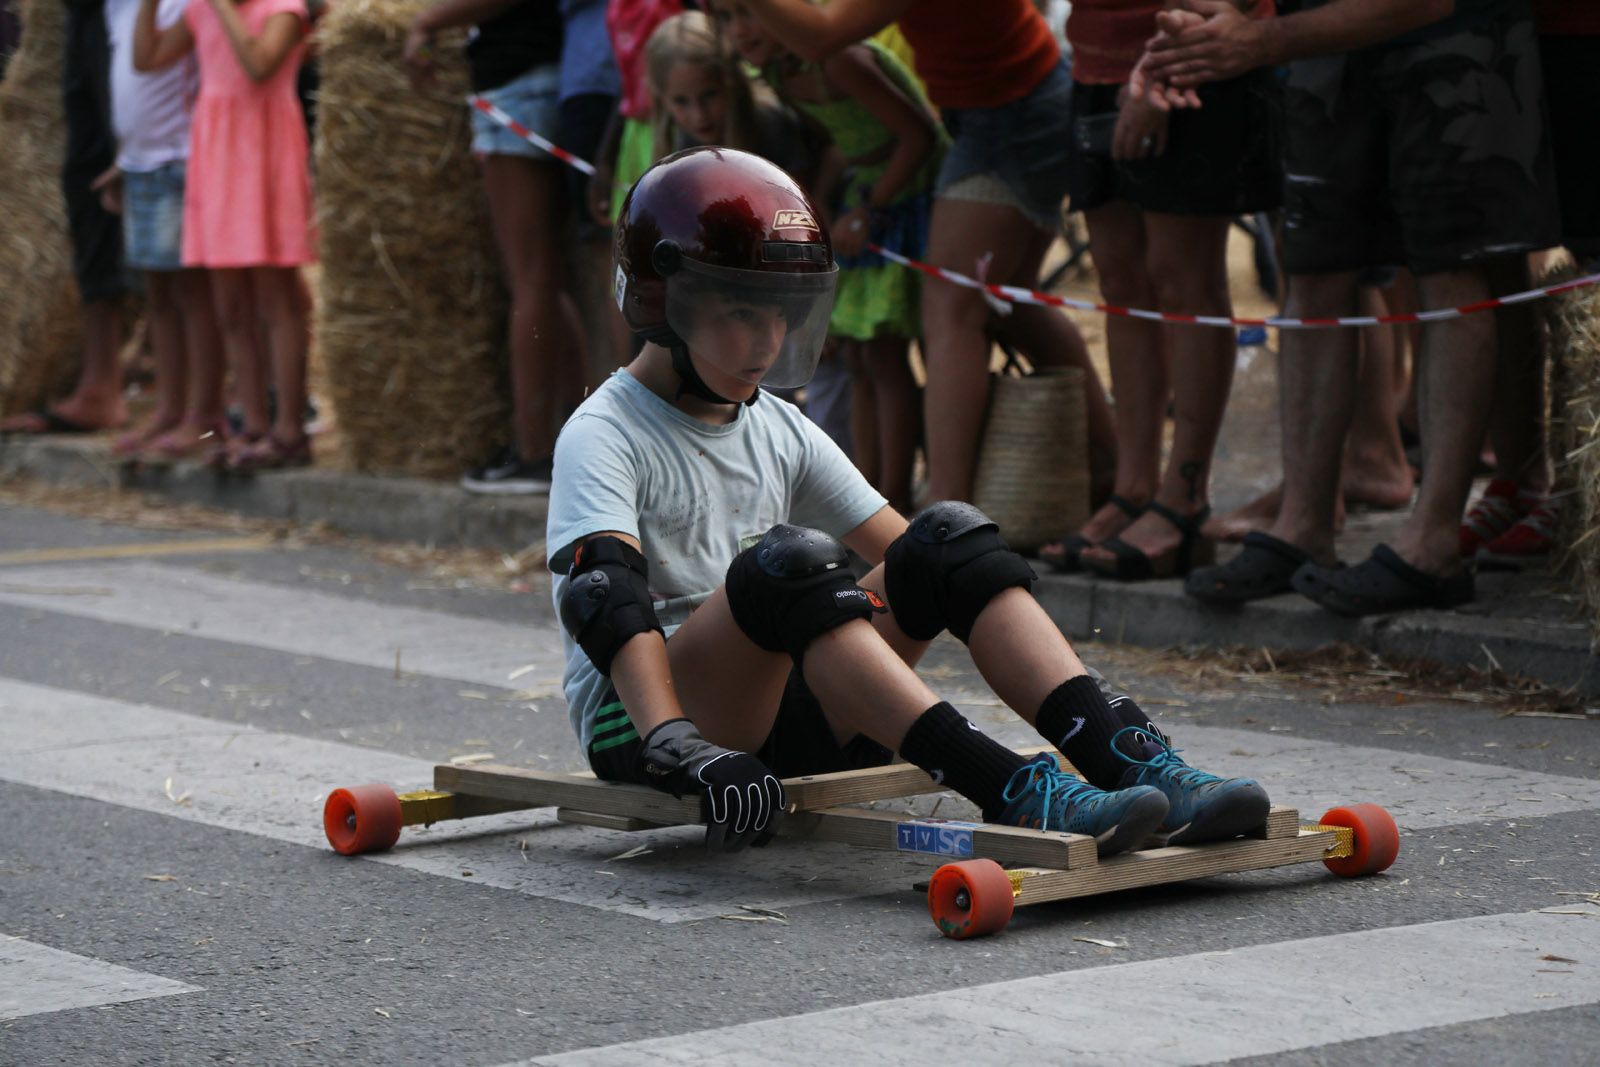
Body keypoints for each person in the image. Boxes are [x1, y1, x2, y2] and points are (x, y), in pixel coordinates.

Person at [547, 147, 1270, 854]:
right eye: (743, 311)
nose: (768, 342)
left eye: (782, 315)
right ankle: (1016, 789)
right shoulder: (607, 430)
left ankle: (1132, 757)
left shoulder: (775, 423)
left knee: (951, 536)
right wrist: (676, 741)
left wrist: (958, 572)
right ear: (659, 300)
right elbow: (606, 601)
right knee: (788, 563)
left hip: (786, 711)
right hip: (654, 725)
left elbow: (917, 555)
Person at [1143, 0, 1562, 616]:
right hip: (1319, 51)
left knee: (1452, 271)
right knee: (1313, 270)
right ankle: (1301, 524)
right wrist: (1196, 37)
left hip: (1449, 36)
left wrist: (1260, 39)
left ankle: (1435, 539)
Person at [734, 0, 1117, 506]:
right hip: (997, 110)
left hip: (1015, 112)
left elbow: (820, 35)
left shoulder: (831, 61)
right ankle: (1107, 469)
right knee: (1013, 308)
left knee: (951, 310)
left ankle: (949, 519)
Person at [1036, 0, 1281, 581]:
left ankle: (1184, 496)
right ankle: (1133, 487)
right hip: (1096, 60)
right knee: (1120, 280)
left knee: (1184, 279)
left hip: (1186, 59)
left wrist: (1161, 71)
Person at [707, 0, 942, 513]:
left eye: (749, 12)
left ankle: (895, 500)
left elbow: (919, 136)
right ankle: (866, 498)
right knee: (860, 355)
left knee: (883, 353)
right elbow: (846, 139)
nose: (740, 29)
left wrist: (868, 209)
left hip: (904, 197)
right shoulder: (781, 68)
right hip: (866, 195)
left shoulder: (835, 59)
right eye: (725, 18)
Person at [405, 0, 588, 494]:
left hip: (519, 86)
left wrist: (429, 20)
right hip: (531, 83)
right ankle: (566, 441)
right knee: (545, 278)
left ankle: (533, 452)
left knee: (530, 279)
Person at [133, 0, 316, 471]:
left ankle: (290, 429)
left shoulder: (284, 8)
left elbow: (258, 66)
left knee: (277, 296)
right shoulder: (199, 11)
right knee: (230, 302)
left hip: (266, 148)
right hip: (216, 154)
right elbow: (146, 58)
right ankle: (251, 426)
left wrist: (218, 7)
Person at [101, 0, 226, 462]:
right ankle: (169, 411)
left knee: (193, 292)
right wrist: (122, 158)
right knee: (159, 295)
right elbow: (129, 77)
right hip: (140, 163)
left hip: (180, 158)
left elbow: (150, 59)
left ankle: (205, 415)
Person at [1, 0, 131, 437]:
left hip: (133, 22)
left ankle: (225, 395)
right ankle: (101, 384)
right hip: (86, 16)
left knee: (141, 185)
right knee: (87, 183)